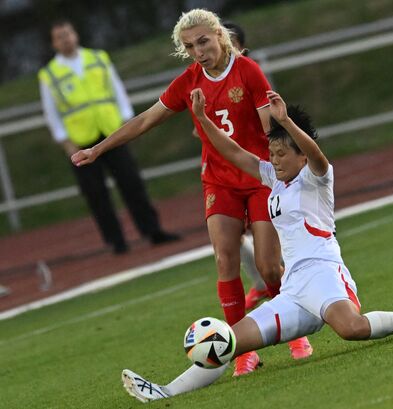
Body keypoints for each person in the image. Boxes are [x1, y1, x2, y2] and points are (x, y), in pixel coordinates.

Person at [119, 89, 393, 403]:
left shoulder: (317, 176)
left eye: (282, 153)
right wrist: (203, 120)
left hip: (324, 274)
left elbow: (317, 155)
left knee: (353, 329)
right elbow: (233, 153)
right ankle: (164, 392)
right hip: (293, 289)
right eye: (272, 152)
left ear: (300, 156)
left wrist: (284, 120)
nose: (275, 160)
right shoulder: (274, 178)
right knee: (226, 342)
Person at [71, 9, 312, 375]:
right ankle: (242, 351)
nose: (198, 51)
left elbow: (269, 127)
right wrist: (98, 149)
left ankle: (292, 332)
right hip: (219, 181)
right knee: (224, 260)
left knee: (268, 266)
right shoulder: (189, 81)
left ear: (219, 36)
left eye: (203, 41)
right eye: (189, 46)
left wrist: (287, 158)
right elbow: (146, 119)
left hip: (261, 178)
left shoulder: (248, 71)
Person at [39, 20, 179, 254]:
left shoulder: (98, 58)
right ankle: (116, 241)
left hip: (112, 132)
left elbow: (117, 91)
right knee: (96, 193)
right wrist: (65, 141)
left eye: (68, 34)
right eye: (59, 37)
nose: (65, 39)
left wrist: (128, 122)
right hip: (80, 140)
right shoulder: (49, 74)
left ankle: (152, 230)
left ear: (75, 34)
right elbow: (51, 111)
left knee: (131, 182)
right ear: (54, 43)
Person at [189, 21, 270, 310]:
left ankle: (278, 288)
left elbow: (268, 120)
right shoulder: (200, 80)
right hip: (221, 174)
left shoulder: (248, 72)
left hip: (257, 171)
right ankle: (259, 289)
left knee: (270, 253)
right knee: (227, 246)